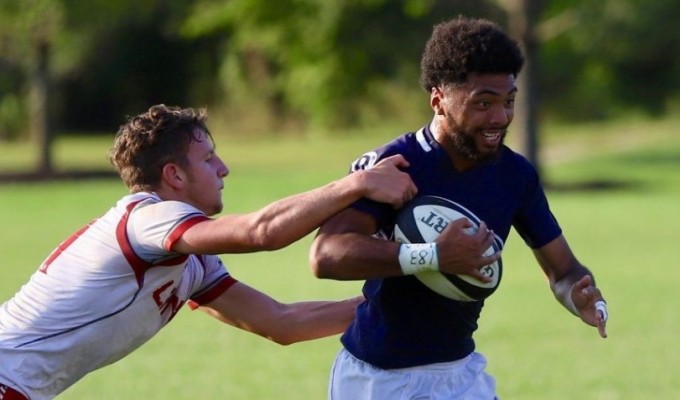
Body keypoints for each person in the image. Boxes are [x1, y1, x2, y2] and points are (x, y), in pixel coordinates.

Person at [0, 104, 418, 400]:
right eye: (209, 158)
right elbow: (262, 232)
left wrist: (400, 296)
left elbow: (282, 323)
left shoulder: (191, 261)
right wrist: (356, 184)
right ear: (174, 175)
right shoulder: (146, 220)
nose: (224, 169)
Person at [309, 16, 609, 400]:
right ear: (438, 100)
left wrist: (579, 295)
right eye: (483, 103)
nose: (500, 118)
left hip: (460, 373)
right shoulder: (395, 165)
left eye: (509, 101)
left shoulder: (515, 175)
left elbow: (563, 270)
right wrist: (433, 256)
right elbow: (326, 255)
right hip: (378, 378)